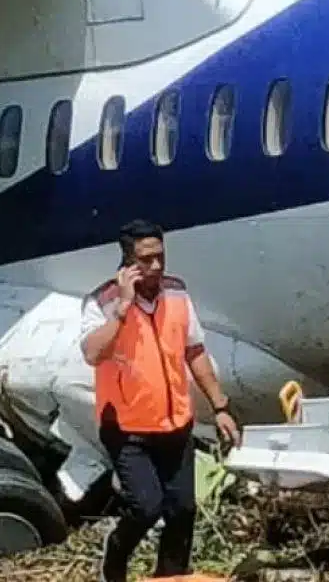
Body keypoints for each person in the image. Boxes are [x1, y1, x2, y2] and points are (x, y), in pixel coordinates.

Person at [80, 219, 241, 582]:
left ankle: (170, 576)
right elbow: (93, 353)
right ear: (127, 262)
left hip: (174, 423)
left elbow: (194, 351)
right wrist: (122, 309)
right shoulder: (102, 302)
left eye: (160, 257)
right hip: (126, 427)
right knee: (146, 507)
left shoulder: (177, 295)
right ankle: (114, 561)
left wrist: (220, 407)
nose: (155, 266)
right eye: (146, 259)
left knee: (183, 509)